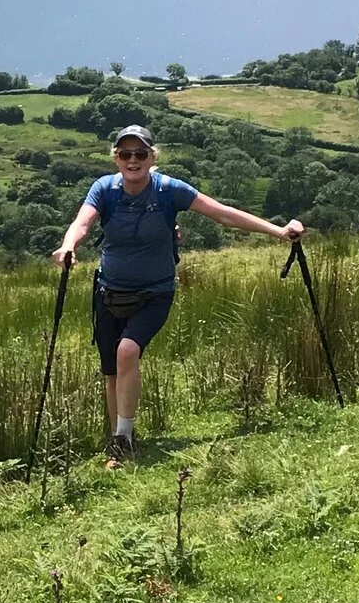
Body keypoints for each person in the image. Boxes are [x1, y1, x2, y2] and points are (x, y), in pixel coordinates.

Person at [53, 124, 305, 468]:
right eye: (125, 154)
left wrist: (279, 231)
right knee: (111, 371)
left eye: (140, 154)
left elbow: (222, 214)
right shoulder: (105, 189)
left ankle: (123, 443)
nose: (133, 160)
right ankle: (118, 440)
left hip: (155, 292)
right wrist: (68, 246)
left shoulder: (169, 189)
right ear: (115, 158)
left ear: (152, 157)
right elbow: (82, 223)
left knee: (127, 351)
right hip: (108, 290)